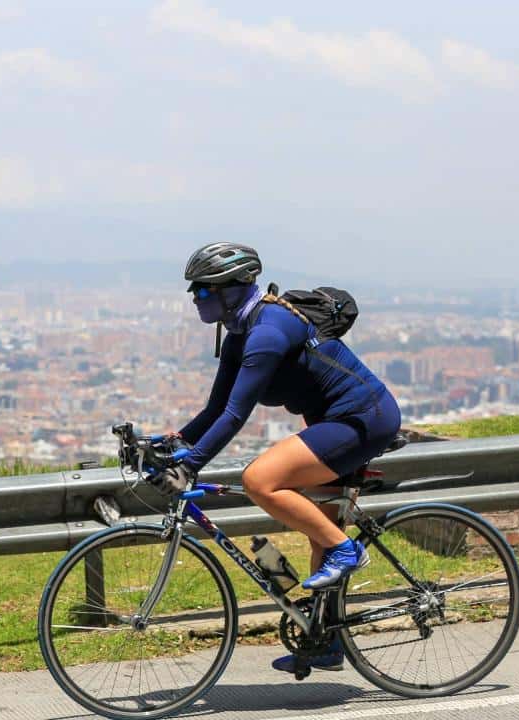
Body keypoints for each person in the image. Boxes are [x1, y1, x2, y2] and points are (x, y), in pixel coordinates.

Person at [154, 241, 402, 674]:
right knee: (320, 534)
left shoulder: (267, 333)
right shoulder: (239, 332)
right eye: (193, 289)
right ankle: (326, 643)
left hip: (362, 418)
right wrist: (171, 444)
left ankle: (348, 551)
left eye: (204, 289)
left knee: (259, 481)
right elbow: (214, 409)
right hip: (334, 421)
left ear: (232, 289)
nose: (195, 297)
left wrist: (190, 465)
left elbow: (236, 415)